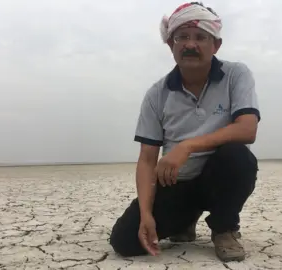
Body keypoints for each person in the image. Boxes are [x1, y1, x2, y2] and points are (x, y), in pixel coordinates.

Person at [109, 1, 261, 262]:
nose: (191, 44)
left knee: (238, 156)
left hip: (219, 179)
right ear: (171, 44)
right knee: (124, 241)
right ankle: (185, 221)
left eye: (201, 37)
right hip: (178, 184)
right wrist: (146, 213)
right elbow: (147, 159)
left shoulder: (236, 74)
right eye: (182, 37)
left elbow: (247, 129)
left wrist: (187, 146)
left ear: (216, 45)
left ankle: (224, 228)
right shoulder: (157, 94)